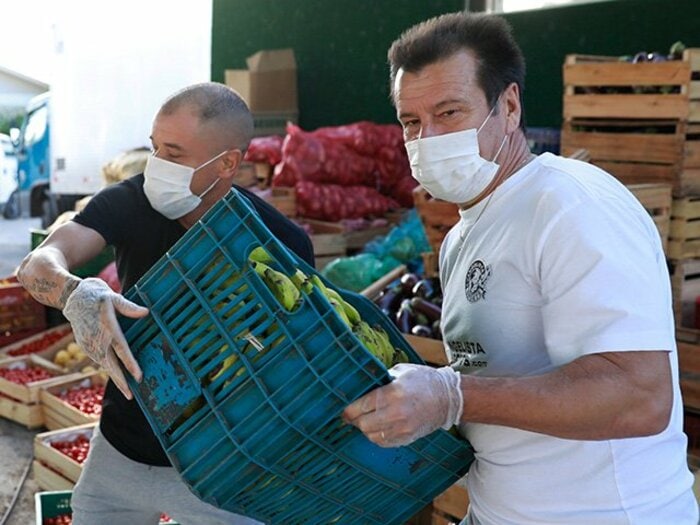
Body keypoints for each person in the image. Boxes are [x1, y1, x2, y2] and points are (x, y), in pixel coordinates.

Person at [343, 12, 699, 524]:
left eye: (449, 113)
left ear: (508, 107)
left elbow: (639, 397)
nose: (428, 138)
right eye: (411, 122)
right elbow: (494, 381)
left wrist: (452, 395)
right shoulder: (463, 233)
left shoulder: (571, 204)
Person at [17, 82, 314, 524]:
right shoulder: (132, 202)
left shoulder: (280, 244)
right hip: (119, 453)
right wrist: (74, 291)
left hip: (222, 472)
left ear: (227, 163)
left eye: (174, 155)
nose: (157, 165)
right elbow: (39, 262)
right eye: (155, 148)